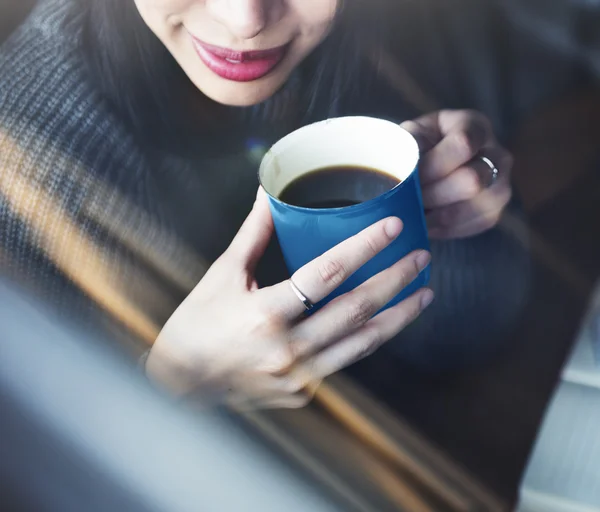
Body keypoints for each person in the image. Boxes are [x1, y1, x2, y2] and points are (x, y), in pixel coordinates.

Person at [0, 0, 529, 408]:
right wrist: (168, 382)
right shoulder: (22, 151)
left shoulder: (385, 30)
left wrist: (462, 205)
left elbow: (472, 329)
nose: (245, 20)